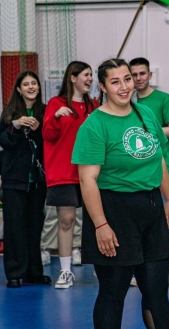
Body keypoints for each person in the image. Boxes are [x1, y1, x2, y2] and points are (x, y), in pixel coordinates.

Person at [72, 58, 169, 329]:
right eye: (115, 82)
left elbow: (159, 158)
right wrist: (100, 224)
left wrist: (168, 198)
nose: (124, 86)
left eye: (127, 79)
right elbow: (87, 179)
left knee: (156, 293)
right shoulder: (94, 125)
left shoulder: (145, 113)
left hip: (151, 207)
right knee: (113, 293)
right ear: (103, 87)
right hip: (114, 211)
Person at [43, 61, 99, 289]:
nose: (90, 79)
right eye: (86, 74)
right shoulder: (55, 104)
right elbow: (47, 135)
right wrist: (56, 116)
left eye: (91, 75)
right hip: (63, 172)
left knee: (96, 221)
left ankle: (100, 268)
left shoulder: (95, 106)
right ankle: (65, 271)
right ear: (73, 78)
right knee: (66, 220)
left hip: (91, 173)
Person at [130, 57, 169, 286]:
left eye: (142, 73)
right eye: (133, 75)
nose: (138, 78)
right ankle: (139, 269)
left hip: (161, 173)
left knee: (166, 222)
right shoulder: (128, 103)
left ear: (150, 75)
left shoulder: (163, 99)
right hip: (135, 176)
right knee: (138, 224)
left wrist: (145, 131)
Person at [0, 71, 51, 288]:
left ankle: (34, 272)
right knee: (14, 228)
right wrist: (16, 126)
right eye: (26, 84)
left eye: (34, 83)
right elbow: (3, 141)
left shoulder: (45, 111)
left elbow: (50, 142)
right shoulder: (10, 112)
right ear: (19, 89)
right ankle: (14, 272)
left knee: (35, 227)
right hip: (14, 181)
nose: (31, 87)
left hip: (37, 180)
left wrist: (39, 130)